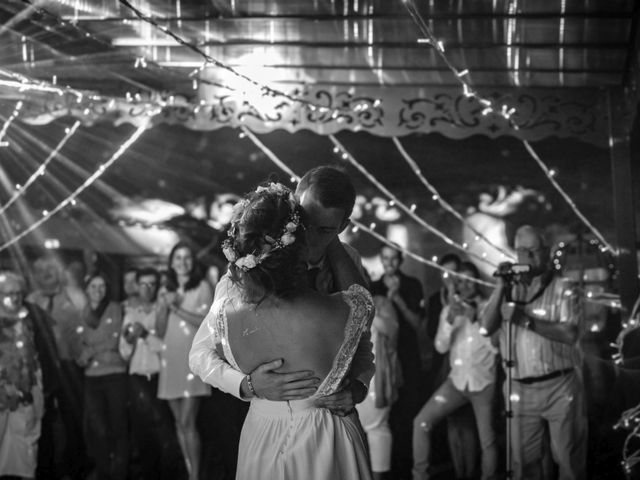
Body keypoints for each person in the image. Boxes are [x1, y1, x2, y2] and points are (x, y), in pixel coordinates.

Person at [190, 182, 374, 479]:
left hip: (328, 427)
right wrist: (246, 385)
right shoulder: (238, 279)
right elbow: (199, 354)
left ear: (341, 228)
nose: (312, 238)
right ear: (294, 222)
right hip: (266, 421)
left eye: (326, 230)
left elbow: (362, 341)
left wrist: (358, 387)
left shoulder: (347, 262)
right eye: (307, 225)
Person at [480, 225, 587, 480]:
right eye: (521, 251)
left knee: (568, 461)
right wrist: (499, 286)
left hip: (560, 386)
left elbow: (571, 334)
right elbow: (485, 328)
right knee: (524, 464)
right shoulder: (509, 288)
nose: (527, 257)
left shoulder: (565, 287)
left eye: (533, 250)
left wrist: (526, 320)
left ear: (547, 252)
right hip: (519, 389)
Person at [412, 261, 498, 480]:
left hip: (483, 383)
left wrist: (475, 319)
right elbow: (440, 346)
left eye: (470, 280)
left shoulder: (488, 307)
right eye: (461, 280)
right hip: (456, 382)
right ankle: (419, 475)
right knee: (421, 423)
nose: (466, 285)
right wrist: (450, 320)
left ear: (477, 282)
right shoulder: (450, 309)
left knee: (487, 441)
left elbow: (497, 347)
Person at [119, 267, 187, 480]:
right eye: (143, 284)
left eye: (151, 284)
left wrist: (145, 335)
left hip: (161, 379)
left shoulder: (163, 310)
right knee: (142, 435)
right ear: (137, 286)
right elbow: (124, 351)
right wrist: (130, 341)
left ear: (156, 286)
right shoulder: (131, 313)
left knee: (166, 434)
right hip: (137, 380)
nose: (147, 289)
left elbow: (167, 347)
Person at [26, 254, 87, 480]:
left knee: (73, 417)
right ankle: (46, 468)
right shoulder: (31, 300)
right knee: (44, 419)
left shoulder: (74, 296)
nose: (46, 275)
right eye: (41, 272)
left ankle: (77, 464)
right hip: (43, 369)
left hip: (71, 365)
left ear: (58, 273)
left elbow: (86, 326)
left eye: (50, 270)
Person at [156, 241, 214, 480]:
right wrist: (163, 305)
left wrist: (176, 308)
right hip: (169, 359)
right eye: (178, 258)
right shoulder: (165, 289)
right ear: (171, 262)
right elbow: (159, 330)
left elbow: (207, 323)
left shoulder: (201, 286)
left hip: (192, 361)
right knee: (179, 423)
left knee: (187, 421)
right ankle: (191, 469)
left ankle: (195, 475)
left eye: (187, 257)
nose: (182, 262)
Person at [371, 244, 426, 479]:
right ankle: (387, 469)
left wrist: (398, 300)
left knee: (409, 414)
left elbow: (418, 325)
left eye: (393, 259)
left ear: (401, 260)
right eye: (385, 258)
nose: (389, 263)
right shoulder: (372, 287)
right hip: (383, 363)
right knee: (384, 420)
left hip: (408, 356)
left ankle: (407, 469)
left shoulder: (413, 284)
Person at [425, 254, 480, 479]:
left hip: (467, 367)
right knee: (451, 422)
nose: (450, 278)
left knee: (467, 422)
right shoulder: (435, 299)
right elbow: (433, 335)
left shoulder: (472, 301)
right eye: (445, 273)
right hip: (443, 367)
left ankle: (470, 471)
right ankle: (458, 469)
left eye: (453, 273)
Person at [75, 272, 129, 480]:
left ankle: (120, 473)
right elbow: (79, 342)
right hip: (91, 377)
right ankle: (104, 471)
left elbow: (113, 342)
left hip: (115, 375)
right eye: (93, 287)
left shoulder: (114, 308)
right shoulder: (83, 312)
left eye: (102, 287)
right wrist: (85, 351)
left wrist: (90, 350)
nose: (98, 291)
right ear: (87, 290)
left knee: (118, 426)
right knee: (98, 429)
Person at [0, 271, 49, 479]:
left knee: (26, 449)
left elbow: (38, 358)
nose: (15, 297)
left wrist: (38, 389)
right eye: (9, 293)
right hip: (2, 398)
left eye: (19, 292)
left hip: (26, 395)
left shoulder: (30, 319)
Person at [356, 294, 401, 480]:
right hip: (351, 375)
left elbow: (392, 329)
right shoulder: (334, 301)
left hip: (376, 376)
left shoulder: (380, 302)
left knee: (376, 427)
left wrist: (367, 309)